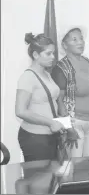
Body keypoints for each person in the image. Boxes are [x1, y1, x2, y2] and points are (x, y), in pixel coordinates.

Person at [51, 25, 89, 157]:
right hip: (74, 124)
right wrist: (68, 128)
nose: (80, 42)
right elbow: (59, 101)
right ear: (64, 45)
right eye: (74, 39)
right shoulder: (61, 68)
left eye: (81, 39)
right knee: (74, 169)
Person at [15, 33, 65, 162]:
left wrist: (63, 122)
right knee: (39, 180)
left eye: (53, 53)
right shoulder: (28, 77)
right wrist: (50, 122)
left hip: (50, 136)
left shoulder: (46, 74)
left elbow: (48, 105)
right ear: (36, 55)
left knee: (50, 179)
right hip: (35, 137)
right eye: (48, 54)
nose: (53, 57)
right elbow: (20, 111)